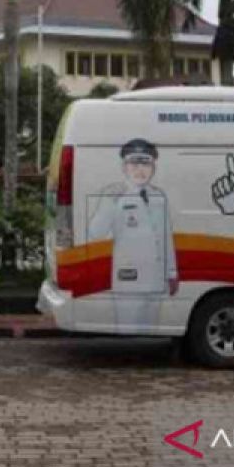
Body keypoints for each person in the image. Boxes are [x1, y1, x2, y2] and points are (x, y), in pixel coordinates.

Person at [87, 138, 177, 330]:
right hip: (129, 280)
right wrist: (108, 203)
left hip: (156, 280)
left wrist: (172, 272)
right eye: (134, 163)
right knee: (127, 329)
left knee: (153, 329)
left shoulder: (158, 196)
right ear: (124, 167)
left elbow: (166, 238)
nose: (140, 169)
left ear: (153, 168)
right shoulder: (114, 195)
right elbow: (96, 233)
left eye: (146, 163)